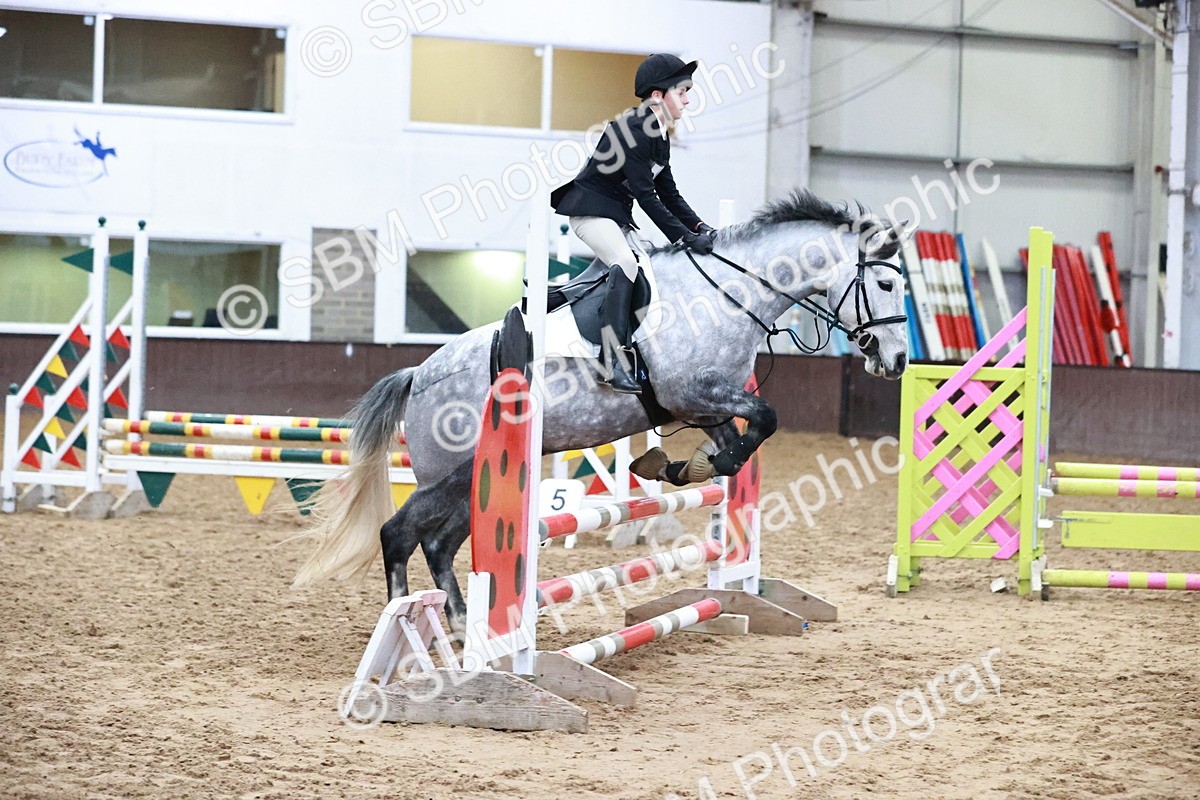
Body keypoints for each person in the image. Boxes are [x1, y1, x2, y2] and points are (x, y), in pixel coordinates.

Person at [550, 53, 717, 394]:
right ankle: (610, 360)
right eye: (682, 91)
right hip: (591, 213)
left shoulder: (659, 134)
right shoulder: (636, 130)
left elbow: (668, 193)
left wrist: (700, 227)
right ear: (658, 95)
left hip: (614, 215)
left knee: (649, 270)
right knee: (624, 262)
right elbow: (646, 197)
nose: (687, 99)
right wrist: (684, 238)